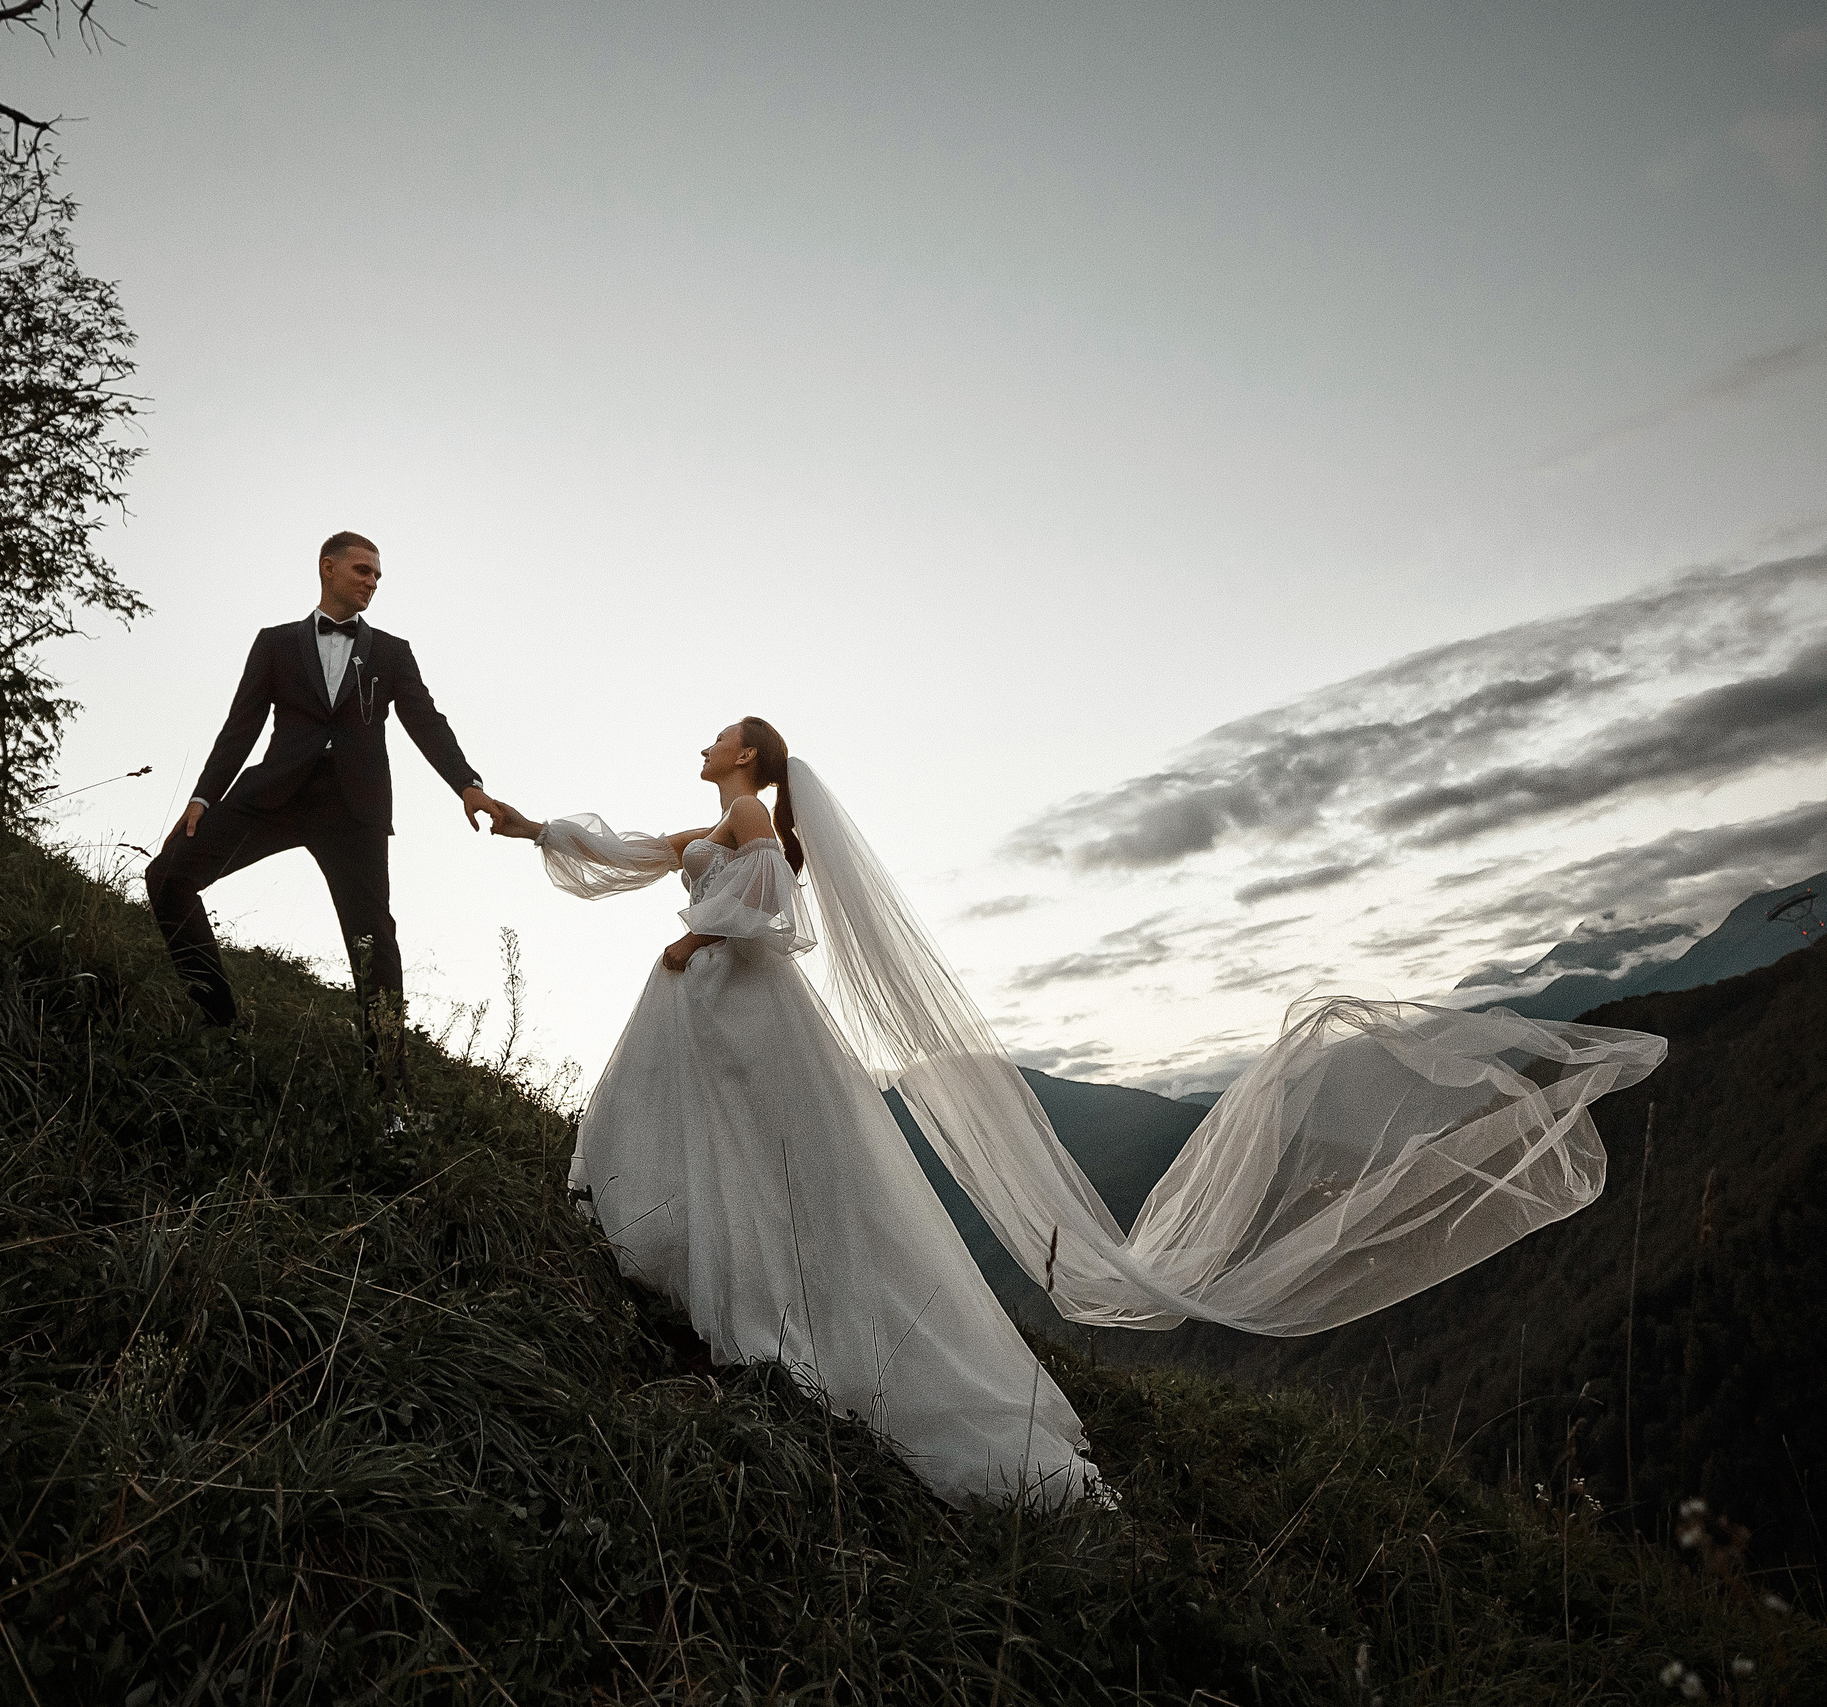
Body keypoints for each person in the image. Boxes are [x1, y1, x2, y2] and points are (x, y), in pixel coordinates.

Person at [488, 719, 1664, 1507]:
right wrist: (528, 823)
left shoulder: (755, 825)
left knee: (760, 1159)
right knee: (727, 1150)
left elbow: (776, 905)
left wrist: (707, 932)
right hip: (717, 1015)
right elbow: (640, 851)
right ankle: (700, 1274)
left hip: (741, 1011)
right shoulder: (724, 823)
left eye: (721, 734)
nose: (705, 743)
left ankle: (752, 1311)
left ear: (748, 755)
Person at [146, 532, 506, 1088]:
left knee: (373, 941)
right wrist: (202, 798)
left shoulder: (391, 651)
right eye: (363, 570)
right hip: (274, 796)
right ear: (328, 568)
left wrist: (467, 784)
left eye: (378, 576)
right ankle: (219, 1021)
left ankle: (387, 1090)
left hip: (352, 808)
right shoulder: (275, 643)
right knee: (167, 875)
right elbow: (240, 725)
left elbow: (425, 721)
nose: (372, 582)